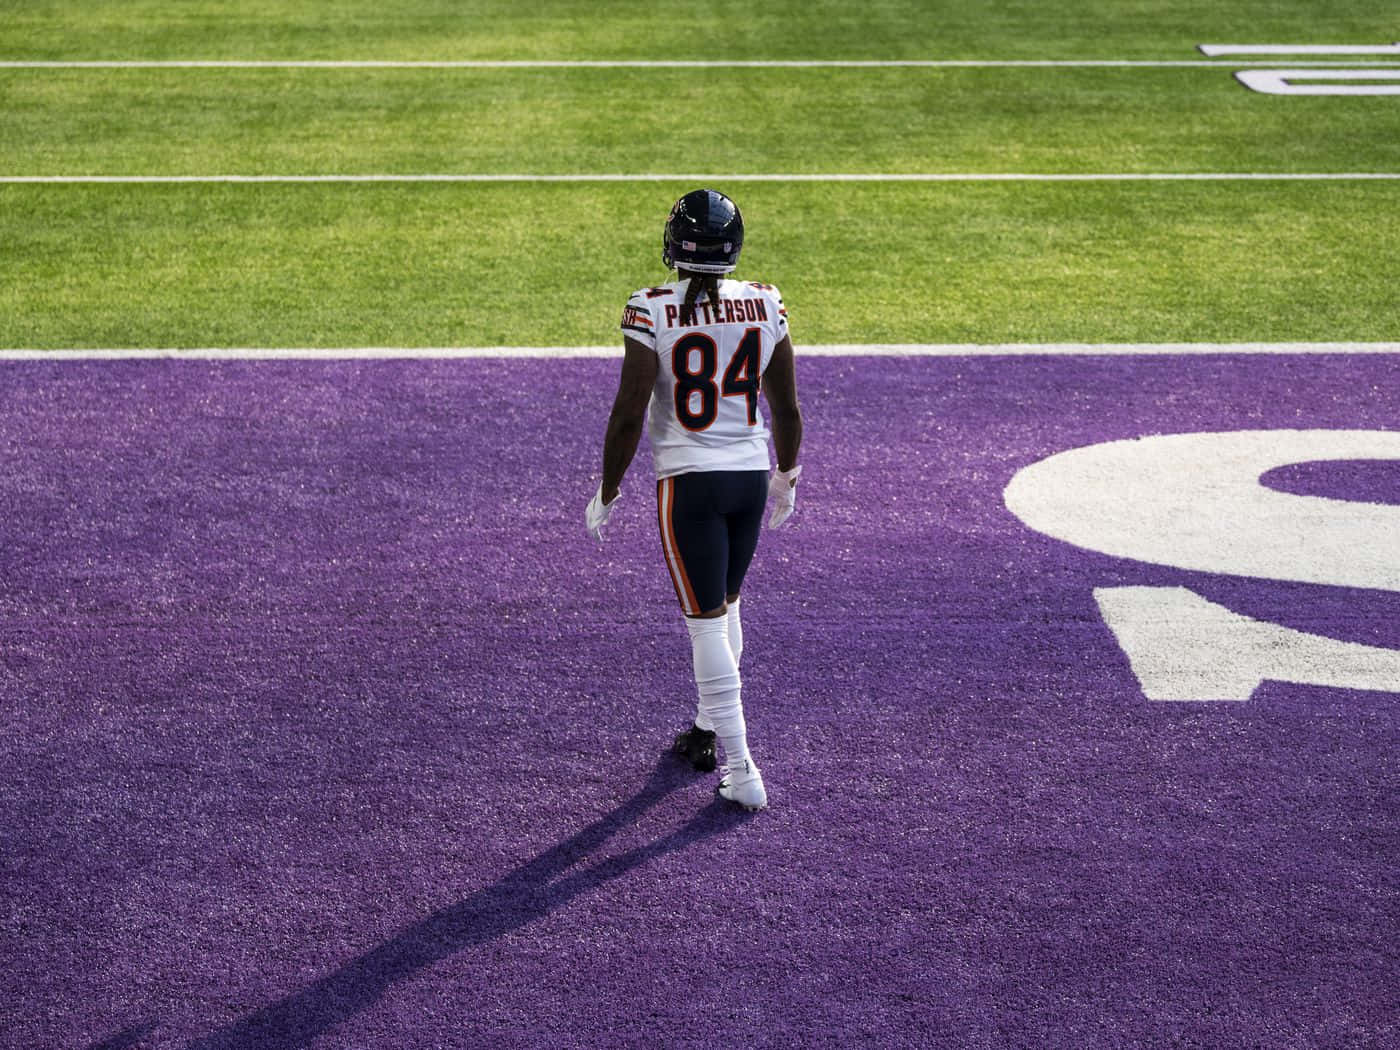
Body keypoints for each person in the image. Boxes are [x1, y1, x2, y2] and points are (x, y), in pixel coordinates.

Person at [584, 188, 803, 812]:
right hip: (748, 477)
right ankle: (710, 731)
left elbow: (628, 415)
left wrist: (607, 489)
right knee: (727, 606)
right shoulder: (764, 301)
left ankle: (743, 768)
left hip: (690, 483)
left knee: (704, 621)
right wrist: (788, 474)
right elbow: (785, 406)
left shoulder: (648, 308)